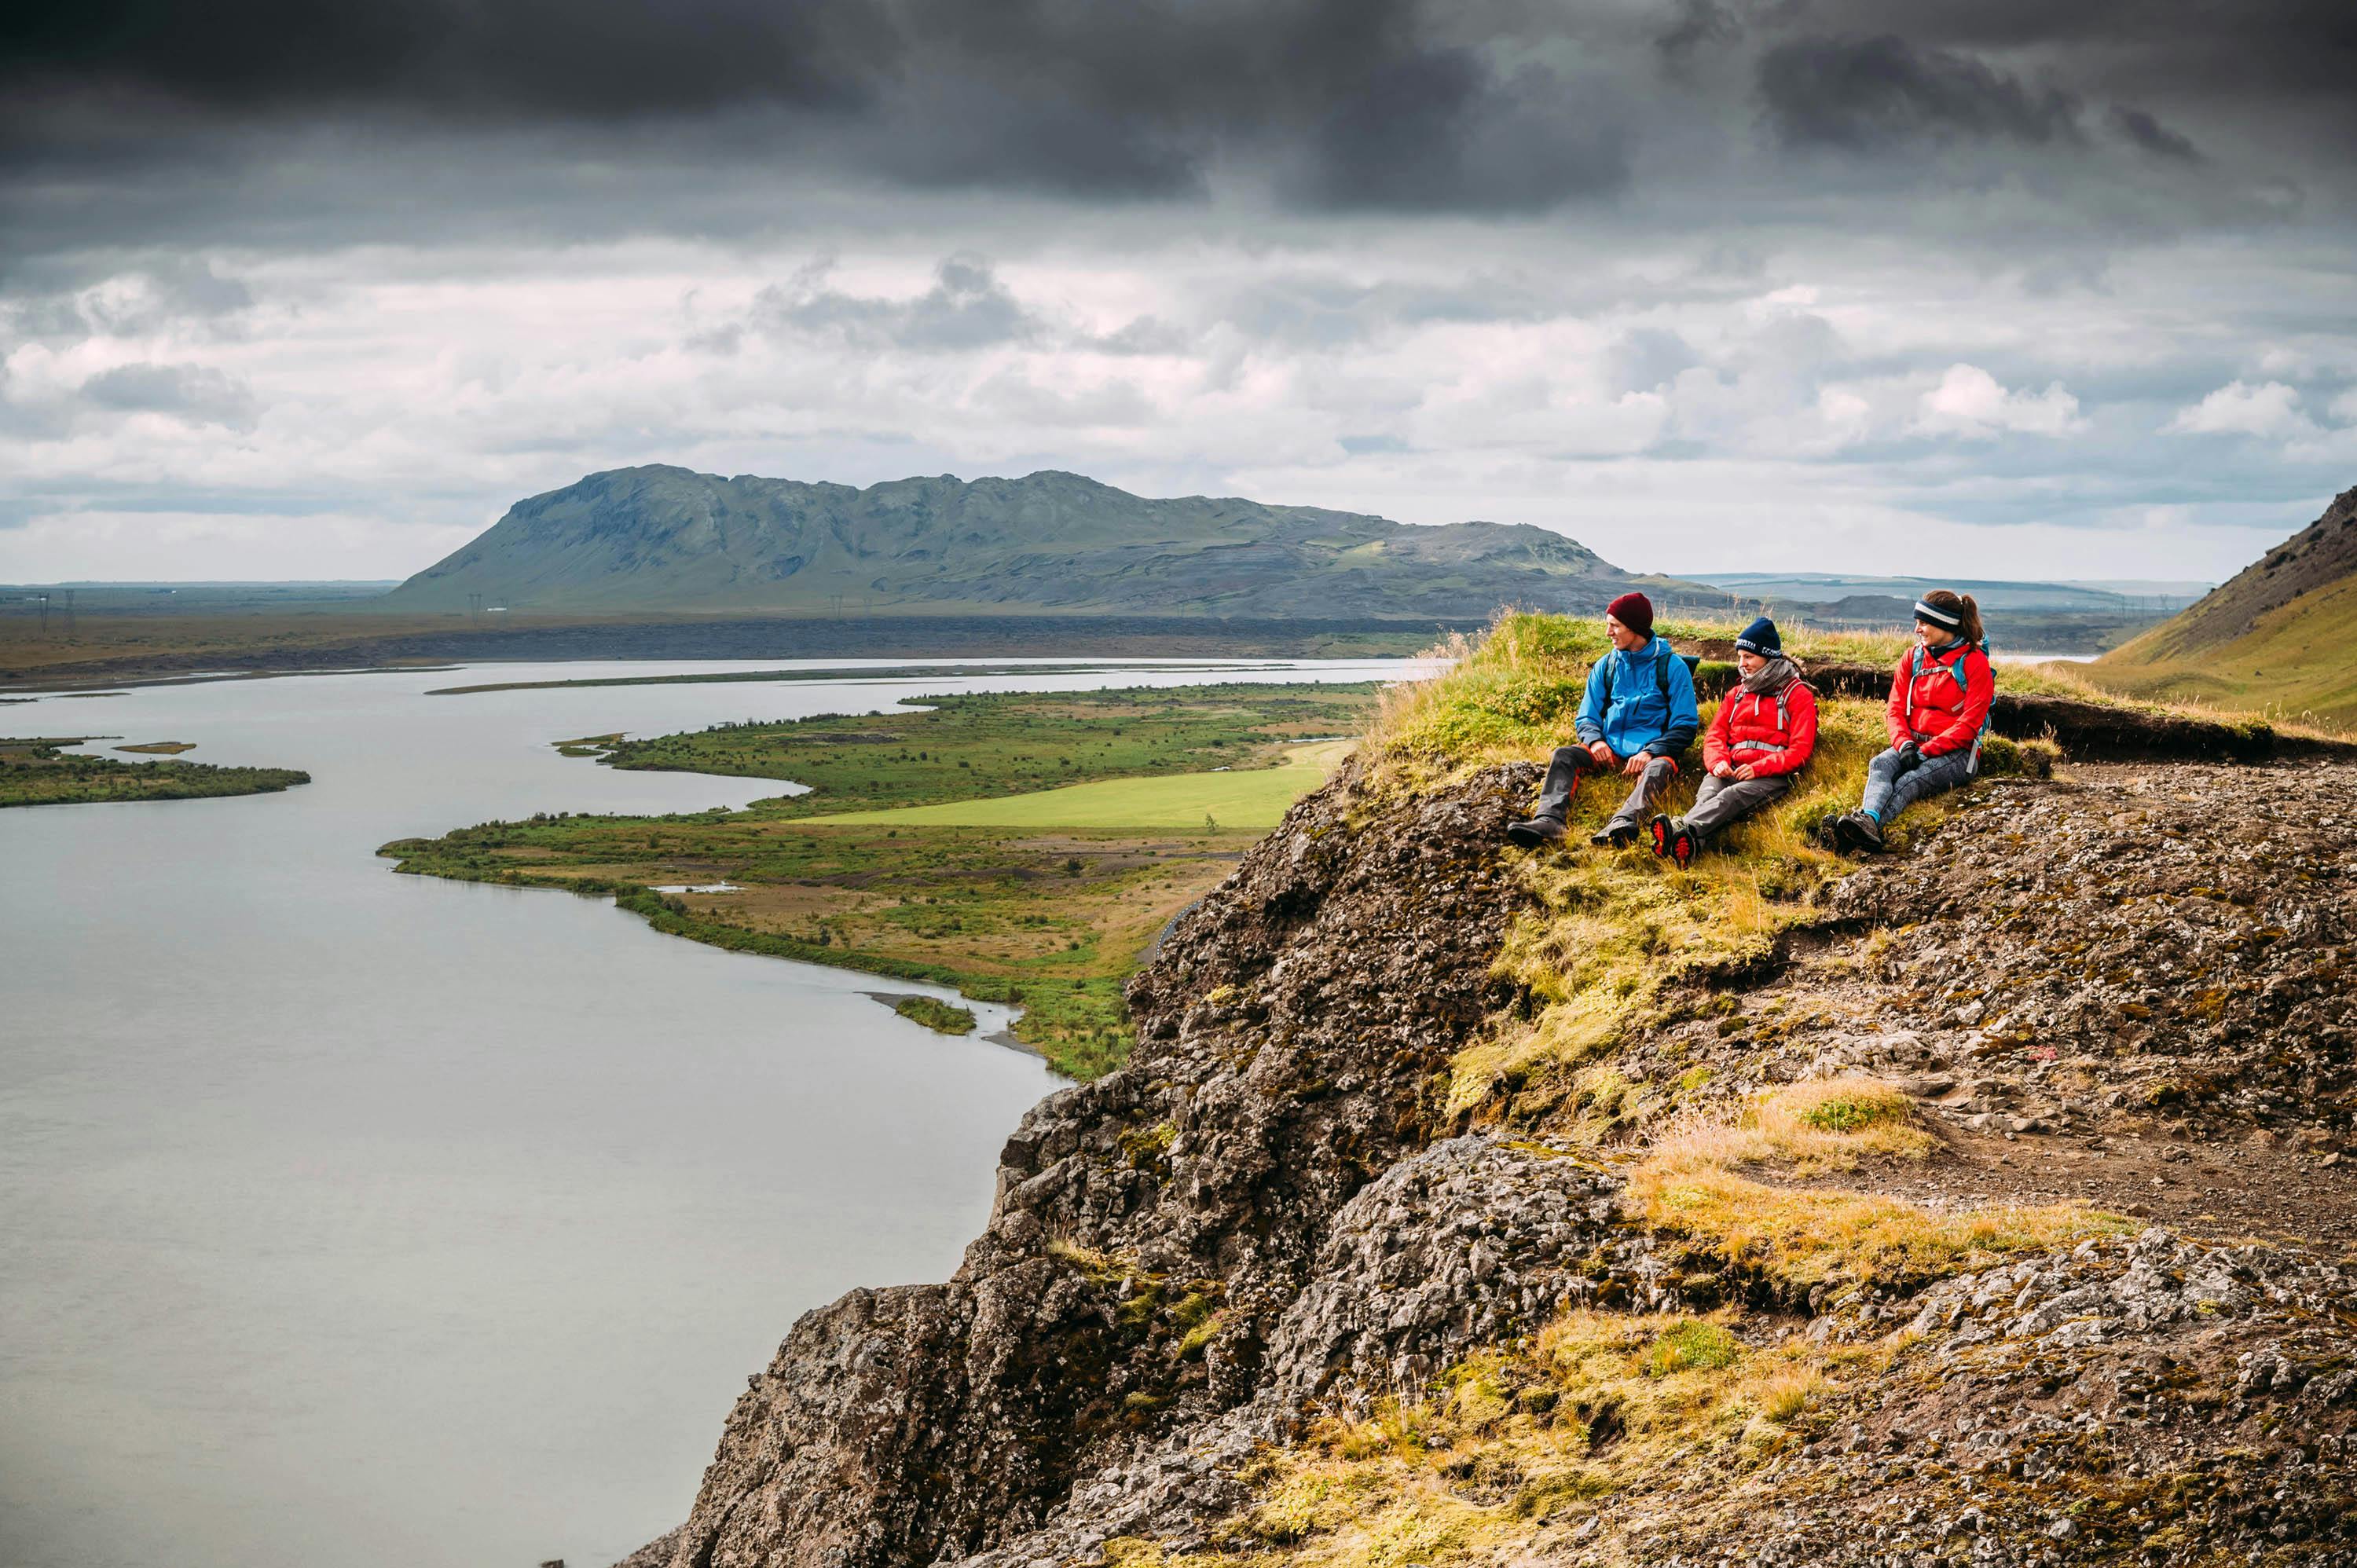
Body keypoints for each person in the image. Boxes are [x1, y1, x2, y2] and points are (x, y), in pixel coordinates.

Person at [1507, 592, 1700, 848]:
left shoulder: (1672, 668)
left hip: (1651, 755)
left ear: (1635, 628)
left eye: (1615, 625)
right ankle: (1549, 821)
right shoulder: (1605, 665)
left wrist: (1652, 752)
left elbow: (1685, 725)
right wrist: (1596, 741)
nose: (1608, 632)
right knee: (1565, 755)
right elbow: (1586, 716)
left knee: (1660, 768)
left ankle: (1623, 822)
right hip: (1607, 749)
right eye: (1608, 624)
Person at [1832, 590, 1993, 853]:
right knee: (1881, 763)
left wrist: (1925, 751)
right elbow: (1895, 710)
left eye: (1924, 622)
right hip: (1913, 742)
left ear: (1945, 624)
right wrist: (1905, 744)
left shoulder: (1975, 664)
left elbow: (1968, 725)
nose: (1917, 629)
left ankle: (1861, 832)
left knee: (1911, 780)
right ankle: (1867, 820)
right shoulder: (1913, 657)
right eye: (1917, 621)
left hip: (1959, 754)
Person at [1647, 617, 1816, 869]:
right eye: (1740, 657)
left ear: (1767, 657)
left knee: (1730, 797)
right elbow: (1714, 737)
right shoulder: (1736, 694)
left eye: (1749, 657)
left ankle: (1676, 831)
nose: (1742, 664)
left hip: (1770, 777)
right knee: (1708, 795)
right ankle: (1686, 847)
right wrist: (1718, 763)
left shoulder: (1798, 695)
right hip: (1730, 768)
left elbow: (1800, 750)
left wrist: (1759, 769)